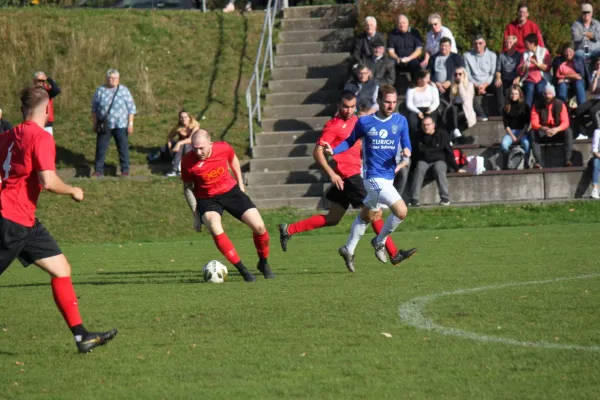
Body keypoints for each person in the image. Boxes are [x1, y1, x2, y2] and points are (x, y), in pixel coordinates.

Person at [0, 86, 117, 353]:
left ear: (21, 110)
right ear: (49, 109)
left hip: (23, 221)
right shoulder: (40, 137)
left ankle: (81, 337)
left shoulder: (7, 136)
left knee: (61, 269)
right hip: (12, 220)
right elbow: (48, 180)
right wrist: (73, 190)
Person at [278, 91, 401, 263]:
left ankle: (289, 229)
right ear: (338, 105)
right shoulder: (333, 126)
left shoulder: (356, 121)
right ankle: (393, 253)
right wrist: (331, 173)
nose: (349, 110)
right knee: (375, 212)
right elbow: (317, 152)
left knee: (333, 218)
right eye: (345, 106)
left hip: (349, 177)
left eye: (352, 107)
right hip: (349, 176)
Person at [323, 84, 417, 272]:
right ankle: (379, 241)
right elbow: (350, 141)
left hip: (388, 177)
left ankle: (348, 249)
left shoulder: (400, 121)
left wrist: (408, 150)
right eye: (387, 102)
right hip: (372, 177)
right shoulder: (365, 122)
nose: (391, 105)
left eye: (394, 102)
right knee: (401, 211)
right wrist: (333, 150)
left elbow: (406, 142)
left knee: (367, 216)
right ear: (379, 101)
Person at [181, 130, 275, 282]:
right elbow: (187, 187)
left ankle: (263, 262)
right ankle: (243, 271)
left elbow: (234, 160)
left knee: (259, 227)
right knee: (213, 224)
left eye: (202, 148)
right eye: (194, 148)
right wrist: (195, 214)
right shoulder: (187, 161)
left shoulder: (223, 147)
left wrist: (241, 184)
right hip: (207, 199)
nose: (198, 152)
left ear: (210, 144)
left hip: (231, 192)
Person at [91, 69, 137, 177]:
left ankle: (125, 170)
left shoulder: (124, 90)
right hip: (104, 125)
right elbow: (94, 108)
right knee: (101, 148)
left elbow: (131, 109)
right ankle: (98, 170)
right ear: (107, 78)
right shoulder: (100, 90)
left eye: (114, 78)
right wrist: (94, 123)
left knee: (123, 148)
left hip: (121, 124)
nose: (112, 80)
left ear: (118, 79)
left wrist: (130, 124)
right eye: (110, 78)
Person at [409, 117, 459, 206]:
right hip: (424, 161)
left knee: (439, 169)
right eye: (424, 125)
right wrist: (412, 168)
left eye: (428, 125)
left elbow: (449, 151)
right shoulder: (417, 136)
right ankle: (414, 199)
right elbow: (415, 154)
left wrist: (456, 168)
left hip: (439, 160)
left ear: (433, 125)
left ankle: (445, 198)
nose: (426, 127)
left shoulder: (442, 134)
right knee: (419, 167)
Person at [530, 84, 573, 168]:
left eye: (550, 94)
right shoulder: (536, 105)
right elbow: (534, 122)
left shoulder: (560, 104)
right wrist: (542, 128)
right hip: (543, 132)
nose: (547, 96)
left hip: (557, 131)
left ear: (553, 94)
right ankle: (538, 162)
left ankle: (568, 159)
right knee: (532, 133)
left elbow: (565, 122)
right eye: (545, 94)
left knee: (568, 131)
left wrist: (557, 129)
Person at [156, 111, 201, 177]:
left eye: (186, 117)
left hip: (193, 148)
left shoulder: (195, 126)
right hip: (180, 150)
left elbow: (191, 139)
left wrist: (179, 143)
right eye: (181, 117)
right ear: (179, 119)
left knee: (183, 144)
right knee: (181, 145)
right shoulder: (178, 127)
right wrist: (170, 148)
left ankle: (176, 169)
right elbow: (169, 137)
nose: (184, 119)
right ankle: (175, 169)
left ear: (189, 118)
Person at [463, 34, 498, 118]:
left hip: (488, 82)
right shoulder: (467, 56)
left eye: (480, 43)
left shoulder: (492, 55)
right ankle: (478, 114)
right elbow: (467, 74)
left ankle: (500, 112)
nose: (478, 45)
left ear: (485, 43)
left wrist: (484, 85)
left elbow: (492, 74)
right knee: (466, 90)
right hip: (474, 83)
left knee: (499, 87)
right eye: (475, 43)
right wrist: (477, 86)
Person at [517, 33, 552, 108]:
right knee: (529, 88)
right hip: (529, 78)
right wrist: (523, 67)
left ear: (532, 43)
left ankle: (541, 111)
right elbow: (520, 71)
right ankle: (527, 112)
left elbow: (547, 68)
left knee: (540, 89)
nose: (525, 46)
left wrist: (536, 63)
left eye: (526, 44)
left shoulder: (544, 51)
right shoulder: (525, 54)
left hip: (542, 78)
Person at [386, 14, 423, 82]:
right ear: (396, 24)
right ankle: (392, 87)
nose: (402, 25)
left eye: (404, 23)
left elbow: (419, 50)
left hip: (412, 58)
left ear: (408, 23)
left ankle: (415, 85)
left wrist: (409, 58)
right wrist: (397, 58)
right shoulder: (392, 34)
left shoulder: (414, 32)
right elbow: (390, 52)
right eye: (400, 23)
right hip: (397, 58)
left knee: (416, 64)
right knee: (389, 64)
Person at [501, 85, 531, 168]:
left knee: (527, 144)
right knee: (504, 144)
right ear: (509, 95)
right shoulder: (506, 107)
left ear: (520, 94)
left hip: (522, 131)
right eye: (512, 94)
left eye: (516, 94)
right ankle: (507, 162)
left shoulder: (525, 106)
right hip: (511, 132)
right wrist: (512, 136)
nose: (514, 96)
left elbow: (527, 123)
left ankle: (526, 162)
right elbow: (506, 124)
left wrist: (520, 136)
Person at [444, 67, 477, 143]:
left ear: (464, 75)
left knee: (453, 110)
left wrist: (460, 85)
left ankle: (453, 135)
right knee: (450, 111)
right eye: (455, 74)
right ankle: (454, 133)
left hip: (465, 109)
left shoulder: (469, 85)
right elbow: (452, 100)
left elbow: (465, 99)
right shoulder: (453, 85)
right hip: (455, 108)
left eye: (460, 74)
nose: (457, 76)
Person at [405, 69, 440, 139]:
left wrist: (431, 109)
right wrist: (418, 112)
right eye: (426, 78)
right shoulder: (411, 88)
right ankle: (416, 139)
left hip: (429, 108)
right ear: (420, 79)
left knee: (430, 121)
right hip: (416, 109)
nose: (428, 80)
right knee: (413, 122)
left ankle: (433, 138)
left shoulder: (432, 87)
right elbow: (409, 103)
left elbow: (436, 101)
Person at [552, 42, 588, 107]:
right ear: (563, 52)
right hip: (563, 82)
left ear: (574, 51)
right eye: (566, 51)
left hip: (577, 81)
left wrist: (565, 78)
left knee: (578, 84)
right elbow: (556, 77)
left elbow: (580, 76)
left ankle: (583, 108)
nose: (568, 54)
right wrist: (572, 76)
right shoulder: (558, 60)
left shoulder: (579, 59)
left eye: (570, 51)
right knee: (562, 86)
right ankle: (561, 109)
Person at [495, 35, 523, 113]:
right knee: (498, 85)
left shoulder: (520, 56)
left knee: (513, 90)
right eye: (506, 42)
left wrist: (518, 77)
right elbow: (498, 70)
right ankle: (501, 111)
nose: (508, 44)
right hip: (504, 78)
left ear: (515, 44)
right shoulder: (501, 55)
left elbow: (522, 71)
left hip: (515, 79)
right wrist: (498, 78)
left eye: (510, 42)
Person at [33, 71, 61, 136]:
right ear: (34, 81)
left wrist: (48, 79)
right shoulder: (31, 92)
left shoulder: (47, 91)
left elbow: (56, 90)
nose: (41, 83)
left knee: (48, 144)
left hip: (47, 123)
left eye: (43, 81)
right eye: (39, 81)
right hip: (35, 122)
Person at [591, 128, 600, 199]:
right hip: (599, 156)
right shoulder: (597, 132)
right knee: (596, 162)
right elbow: (595, 151)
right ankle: (595, 190)